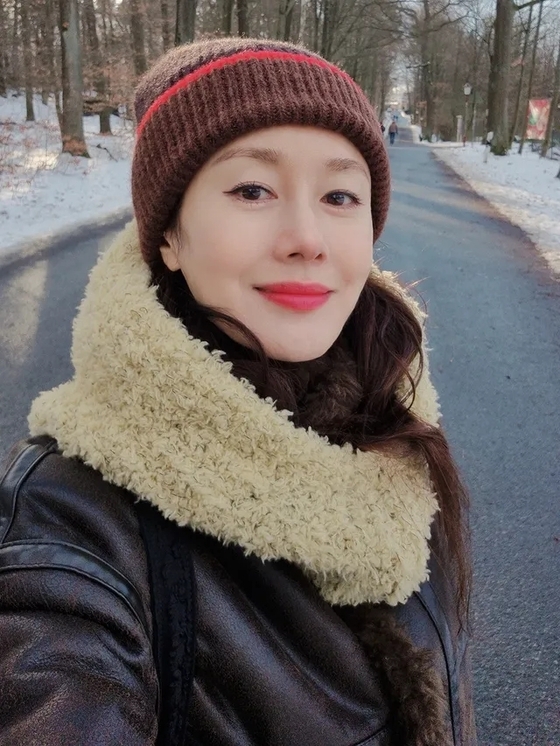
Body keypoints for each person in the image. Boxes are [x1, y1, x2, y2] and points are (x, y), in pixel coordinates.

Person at [0, 37, 476, 745]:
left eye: (340, 196)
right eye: (252, 190)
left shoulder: (394, 423)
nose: (308, 238)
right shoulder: (70, 519)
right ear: (168, 235)